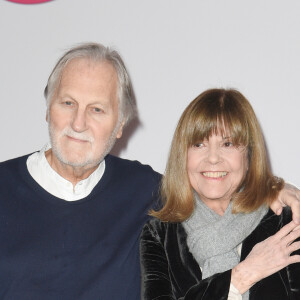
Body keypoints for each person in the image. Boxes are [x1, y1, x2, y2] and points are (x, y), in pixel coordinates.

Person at [0, 44, 298, 300]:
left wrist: (274, 187)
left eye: (97, 110)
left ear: (120, 125)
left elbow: (210, 182)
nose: (78, 123)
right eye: (68, 103)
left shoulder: (144, 190)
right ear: (48, 107)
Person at [140, 88, 300, 300]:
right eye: (199, 144)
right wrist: (241, 277)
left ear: (249, 154)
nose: (213, 158)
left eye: (228, 144)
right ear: (182, 155)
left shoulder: (286, 221)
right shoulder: (159, 235)